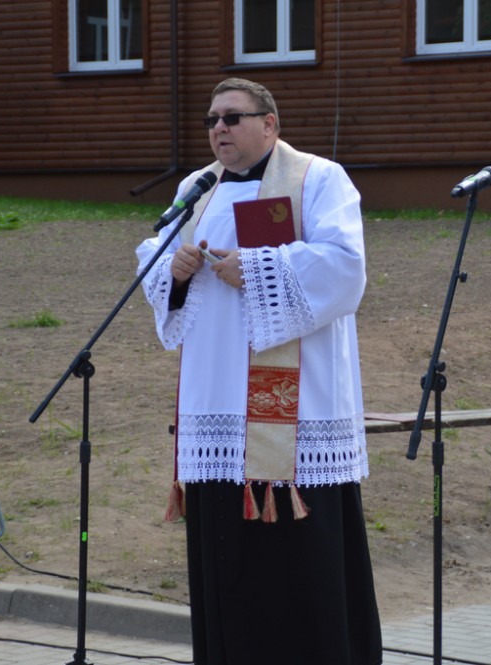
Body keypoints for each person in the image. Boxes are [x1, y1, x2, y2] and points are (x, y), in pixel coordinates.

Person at [136, 77, 382, 665]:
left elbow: (345, 266)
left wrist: (255, 268)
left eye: (233, 117)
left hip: (294, 417)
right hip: (216, 402)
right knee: (229, 565)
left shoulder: (317, 179)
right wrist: (175, 269)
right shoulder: (198, 188)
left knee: (297, 571)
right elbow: (154, 253)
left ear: (269, 124)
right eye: (212, 119)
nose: (219, 128)